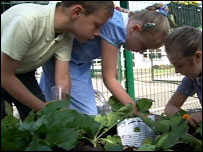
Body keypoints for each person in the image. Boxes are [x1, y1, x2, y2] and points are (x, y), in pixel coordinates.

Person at [40, 3, 170, 115]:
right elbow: (110, 79)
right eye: (143, 46)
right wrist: (136, 111)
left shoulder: (119, 24)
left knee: (51, 106)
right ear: (135, 29)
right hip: (68, 64)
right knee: (87, 117)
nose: (142, 52)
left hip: (80, 64)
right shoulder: (117, 28)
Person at [1, 1, 114, 121]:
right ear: (77, 12)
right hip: (5, 72)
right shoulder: (27, 21)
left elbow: (63, 78)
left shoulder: (66, 34)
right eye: (96, 25)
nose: (98, 33)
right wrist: (43, 108)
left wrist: (62, 107)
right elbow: (5, 75)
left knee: (40, 124)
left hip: (23, 73)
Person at [164, 26, 202, 128]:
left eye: (180, 65)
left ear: (198, 57)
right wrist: (187, 117)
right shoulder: (193, 78)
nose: (176, 71)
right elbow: (170, 108)